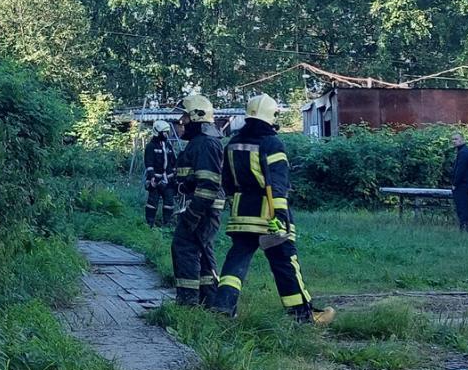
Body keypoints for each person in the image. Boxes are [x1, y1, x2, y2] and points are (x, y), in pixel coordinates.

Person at [208, 93, 333, 324]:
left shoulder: (233, 143)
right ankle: (304, 316)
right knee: (285, 262)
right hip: (269, 217)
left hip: (241, 214)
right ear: (271, 115)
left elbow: (226, 181)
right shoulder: (272, 142)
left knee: (236, 259)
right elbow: (277, 185)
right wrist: (281, 217)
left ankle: (223, 306)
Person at [169, 95, 224, 307]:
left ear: (196, 116)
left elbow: (209, 184)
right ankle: (209, 301)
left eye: (184, 117)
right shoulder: (200, 143)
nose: (180, 122)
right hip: (200, 207)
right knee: (202, 252)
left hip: (202, 209)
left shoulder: (205, 144)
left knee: (184, 248)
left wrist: (193, 213)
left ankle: (188, 302)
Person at [142, 120, 178, 227]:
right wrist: (152, 177)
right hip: (156, 181)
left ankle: (167, 224)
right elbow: (149, 164)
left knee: (169, 203)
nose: (167, 134)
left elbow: (173, 161)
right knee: (152, 203)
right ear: (158, 132)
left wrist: (176, 173)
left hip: (169, 181)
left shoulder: (168, 145)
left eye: (167, 132)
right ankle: (149, 224)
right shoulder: (151, 147)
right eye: (164, 132)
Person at [450, 132, 468, 231]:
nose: (454, 141)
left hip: (462, 185)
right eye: (453, 139)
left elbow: (460, 170)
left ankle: (465, 228)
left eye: (456, 139)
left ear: (462, 139)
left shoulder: (463, 152)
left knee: (462, 207)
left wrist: (455, 183)